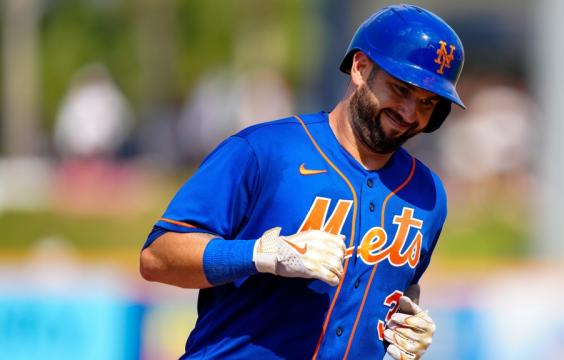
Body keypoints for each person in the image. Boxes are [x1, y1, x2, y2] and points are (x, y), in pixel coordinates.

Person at [140, 4, 465, 359]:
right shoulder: (266, 150)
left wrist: (402, 332)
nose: (409, 113)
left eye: (427, 102)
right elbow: (157, 258)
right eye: (400, 89)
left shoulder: (427, 197)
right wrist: (261, 254)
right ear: (360, 67)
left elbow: (392, 296)